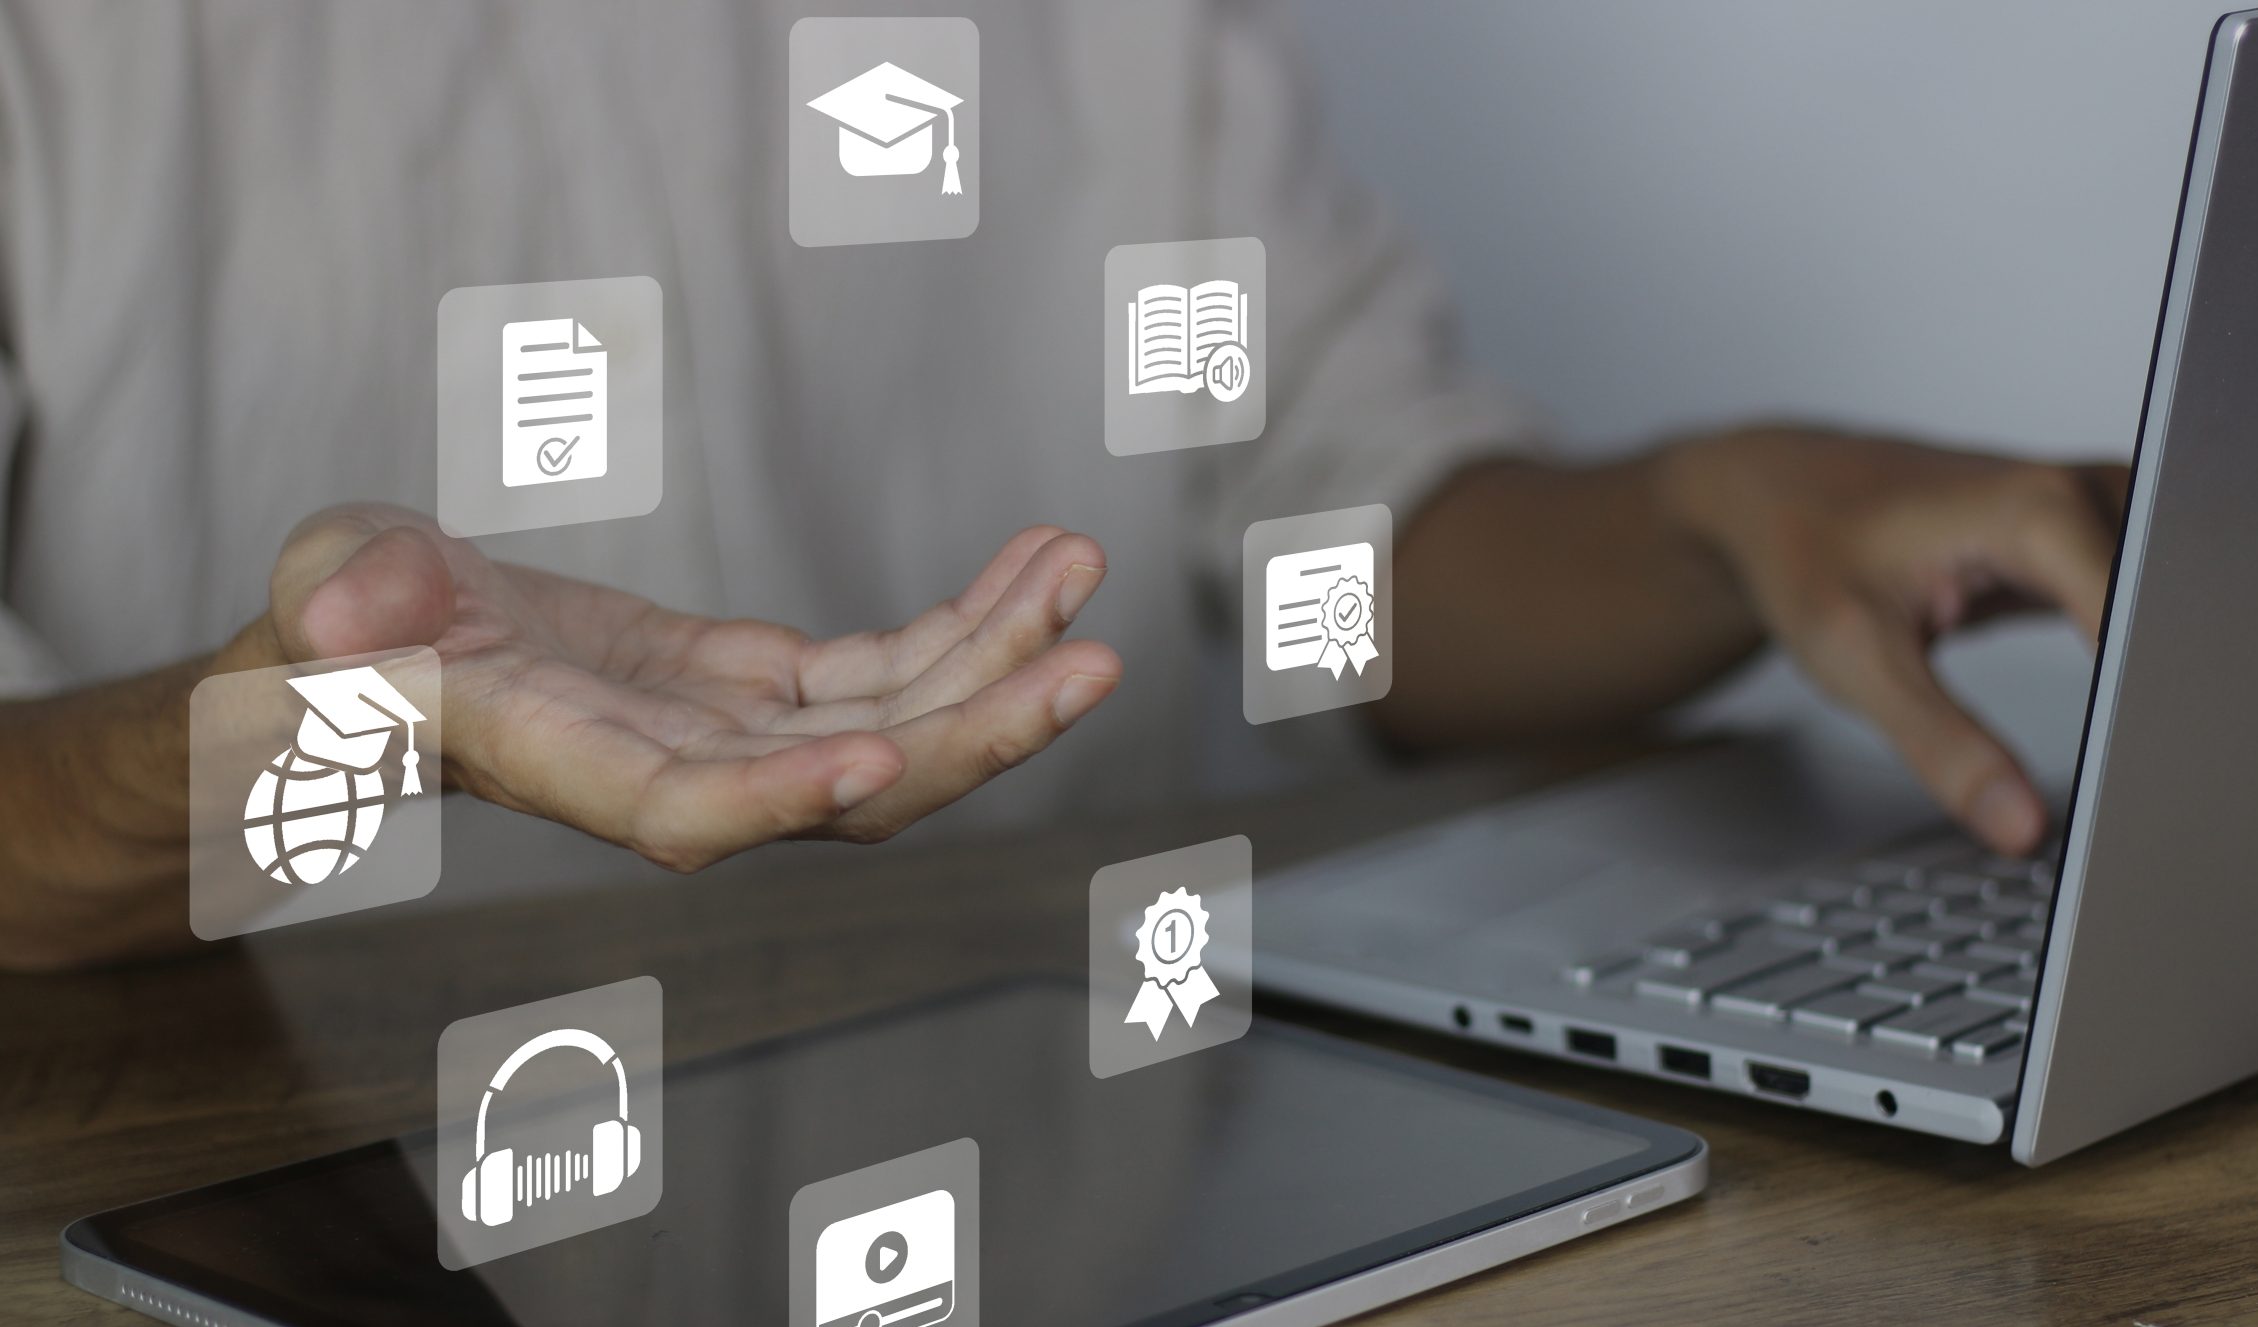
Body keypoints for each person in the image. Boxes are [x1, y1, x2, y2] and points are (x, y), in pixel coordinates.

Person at [0, 2, 2124, 970]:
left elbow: (1347, 564)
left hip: (1072, 1217)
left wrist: (1714, 508)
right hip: (252, 1259)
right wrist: (324, 726)